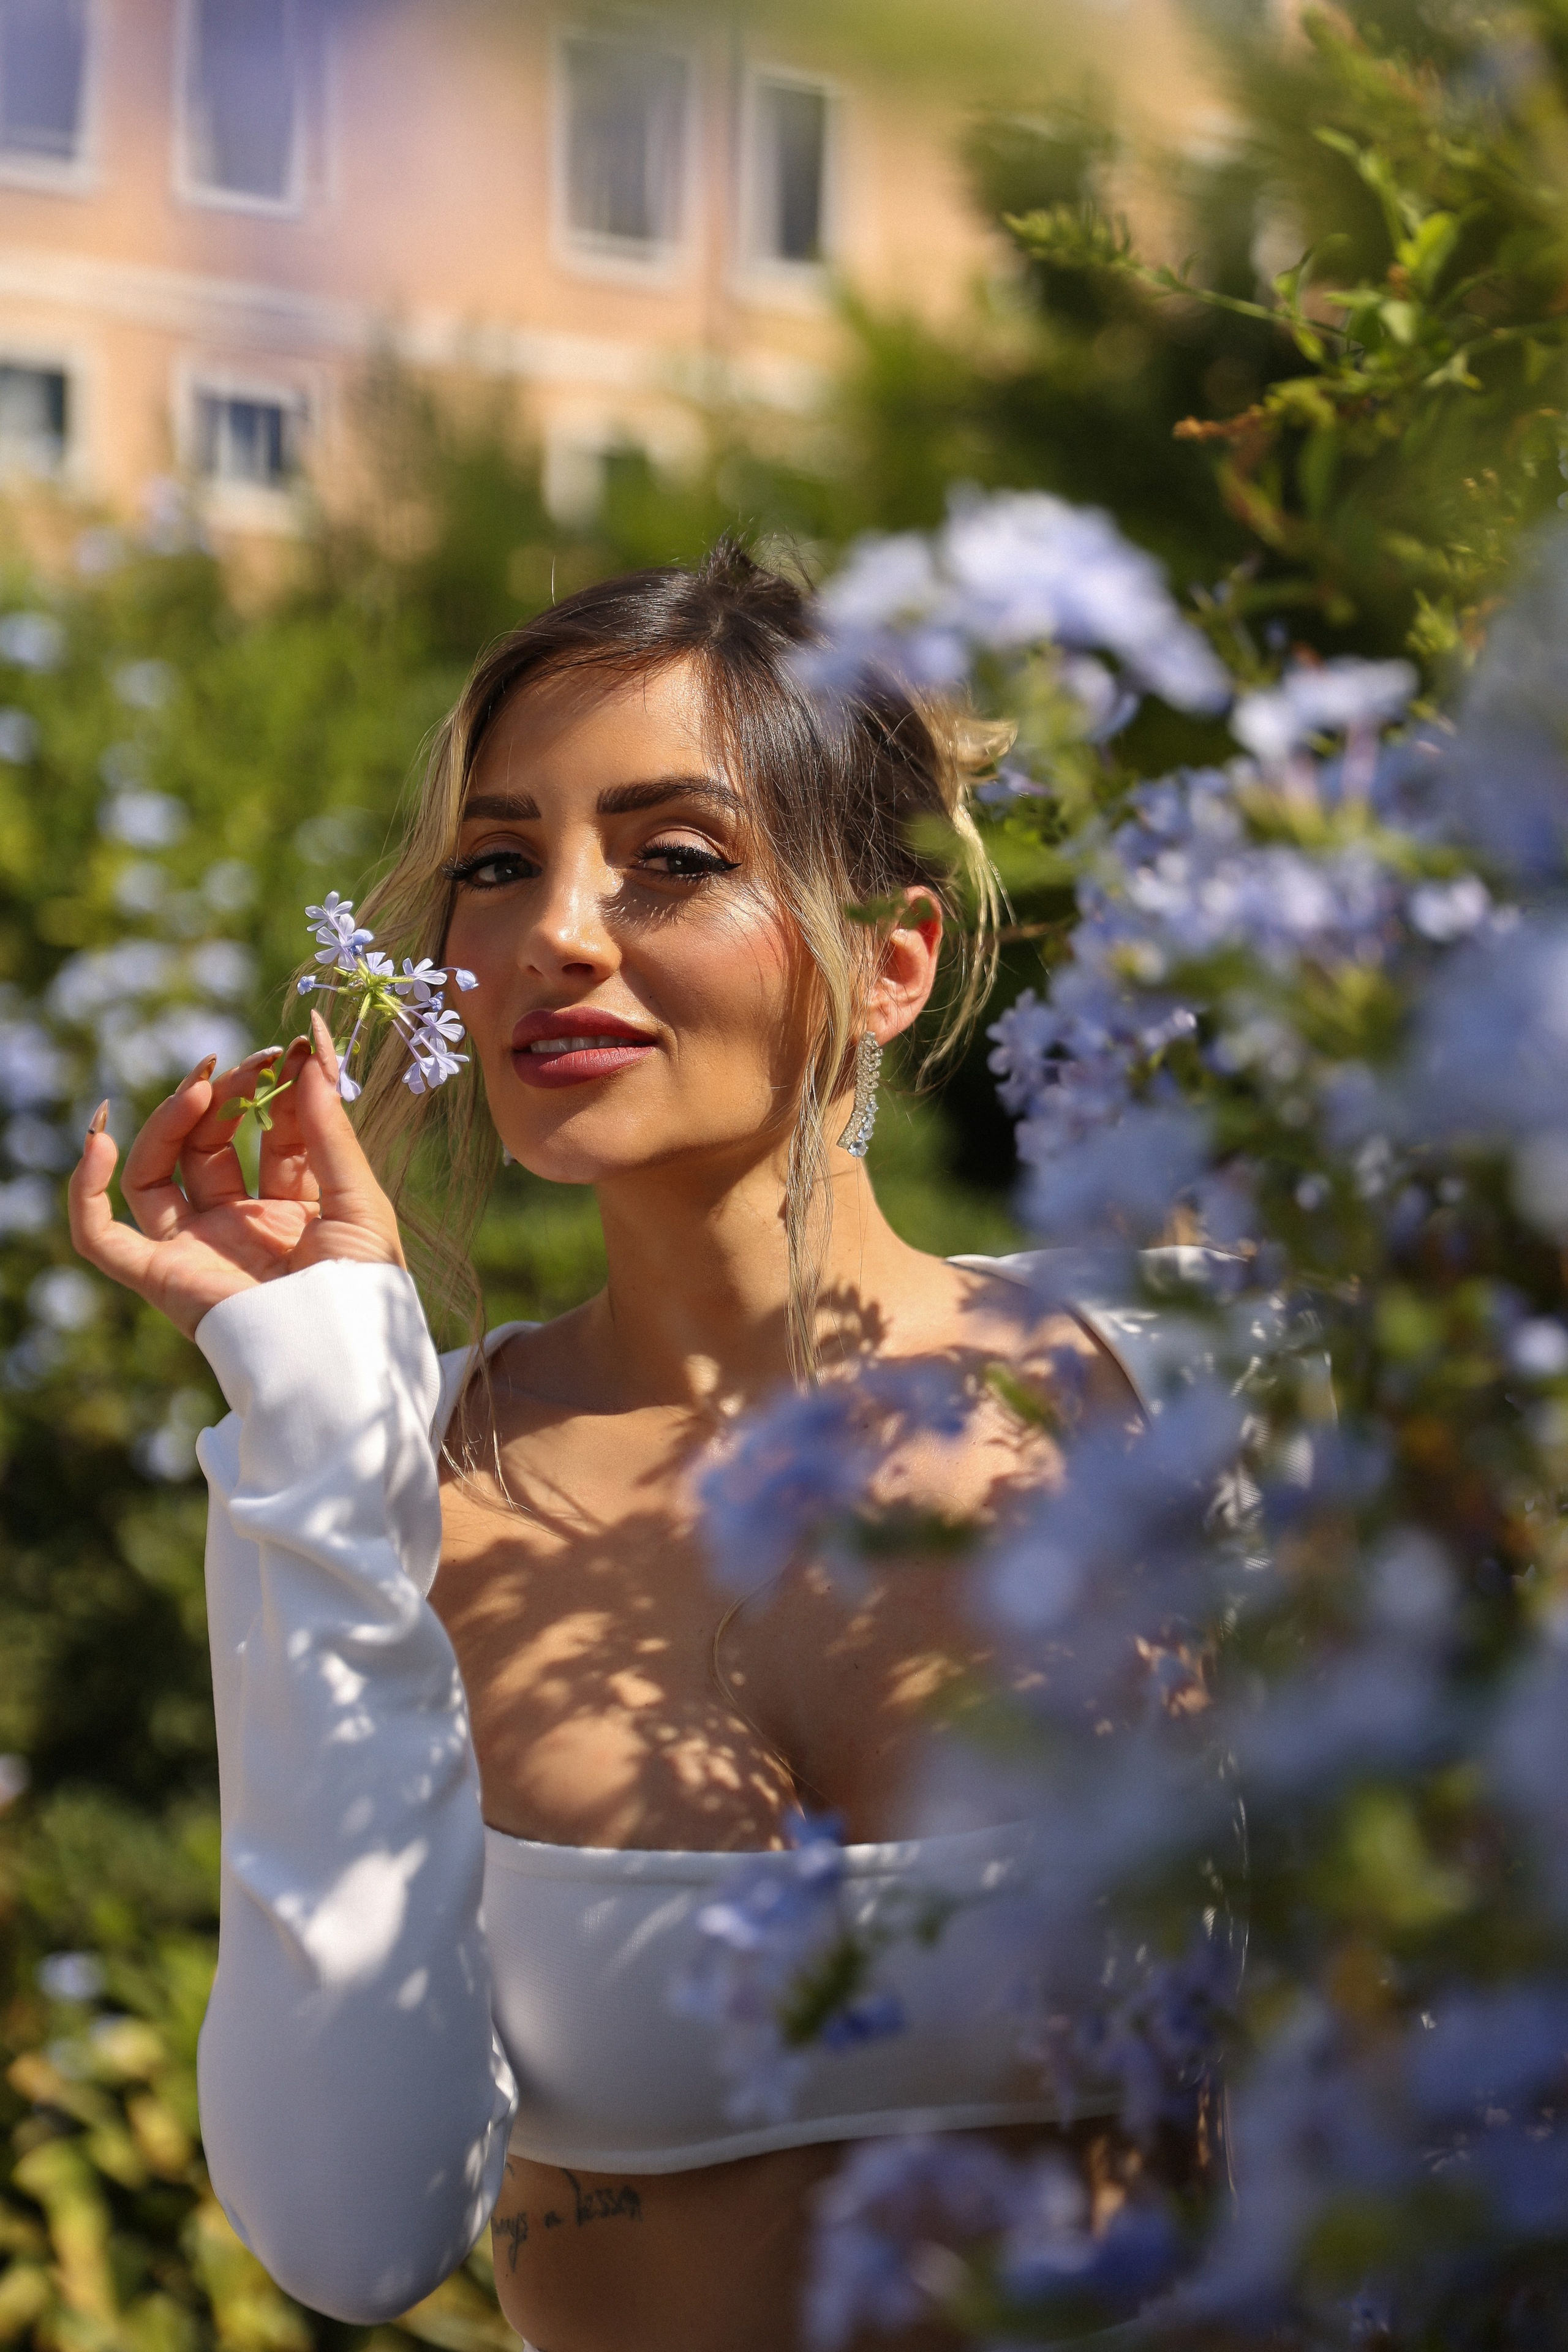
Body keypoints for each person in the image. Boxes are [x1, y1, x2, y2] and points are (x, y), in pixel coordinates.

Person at [68, 546, 1188, 2352]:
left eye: (675, 860)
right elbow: (351, 2232)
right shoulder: (392, 1484)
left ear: (893, 958)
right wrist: (314, 1397)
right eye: (498, 866)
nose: (553, 934)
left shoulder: (1177, 1400)